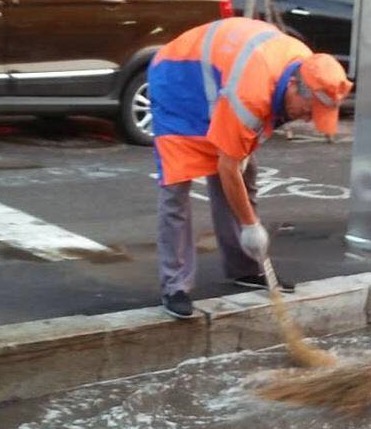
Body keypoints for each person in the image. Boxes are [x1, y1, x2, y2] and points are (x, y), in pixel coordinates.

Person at [148, 16, 352, 319]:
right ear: (295, 87)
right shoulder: (250, 94)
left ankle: (244, 267)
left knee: (247, 173)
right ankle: (175, 286)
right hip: (177, 81)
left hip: (219, 83)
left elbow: (236, 159)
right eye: (309, 111)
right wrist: (250, 225)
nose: (309, 119)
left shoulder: (308, 66)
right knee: (177, 185)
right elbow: (227, 167)